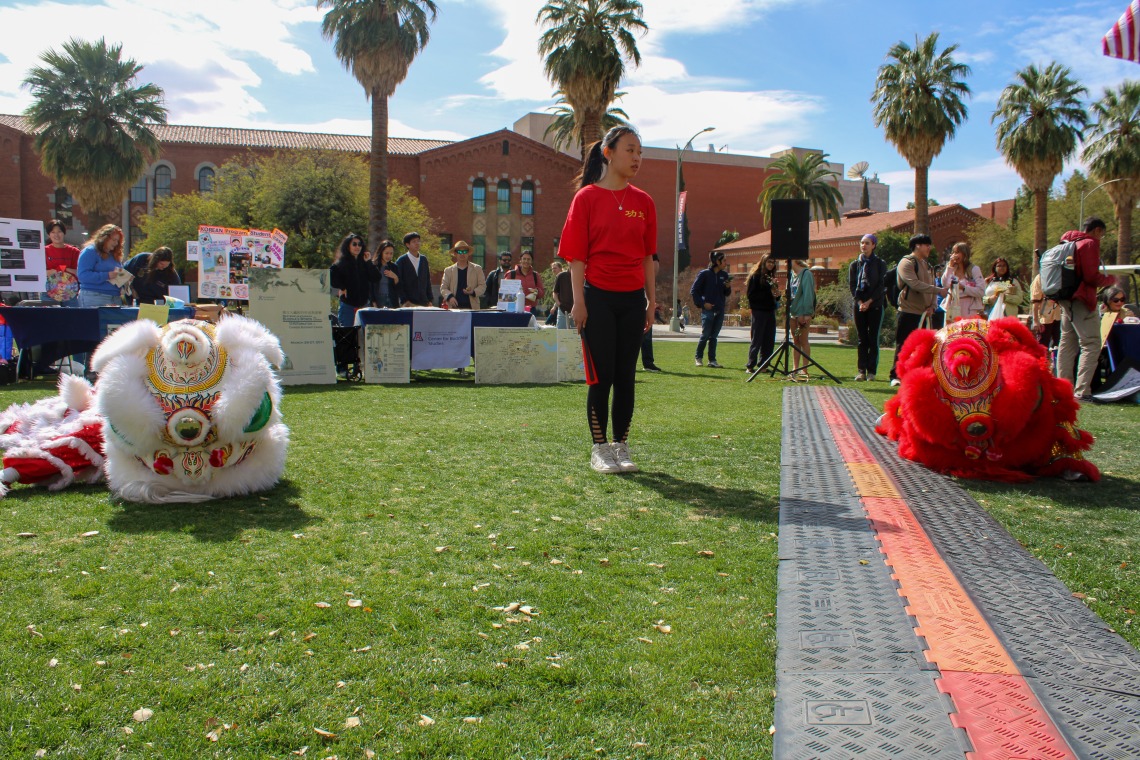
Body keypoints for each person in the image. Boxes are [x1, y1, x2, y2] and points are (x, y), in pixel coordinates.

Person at [558, 124, 657, 474]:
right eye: (630, 150)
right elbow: (576, 257)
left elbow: (647, 256)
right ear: (608, 152)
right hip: (596, 298)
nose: (637, 158)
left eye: (640, 152)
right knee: (602, 377)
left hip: (632, 301)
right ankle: (599, 448)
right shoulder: (586, 198)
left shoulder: (644, 202)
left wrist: (651, 300)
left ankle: (621, 445)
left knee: (626, 375)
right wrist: (579, 301)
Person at [1057, 217, 1116, 401]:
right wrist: (1110, 280)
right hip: (1082, 299)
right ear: (1097, 230)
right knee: (1091, 343)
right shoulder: (1089, 244)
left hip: (1066, 299)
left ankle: (1063, 389)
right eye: (1102, 234)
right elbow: (1091, 277)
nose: (1101, 238)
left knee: (1067, 343)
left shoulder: (1069, 243)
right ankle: (1082, 391)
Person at [890, 234, 948, 386]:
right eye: (926, 245)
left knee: (923, 346)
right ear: (917, 245)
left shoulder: (927, 265)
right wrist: (938, 290)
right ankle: (895, 375)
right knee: (903, 344)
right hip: (908, 311)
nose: (929, 248)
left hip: (925, 313)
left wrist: (933, 305)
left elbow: (931, 286)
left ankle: (916, 374)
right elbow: (914, 284)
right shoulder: (906, 262)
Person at [848, 234, 886, 381]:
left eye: (867, 243)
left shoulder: (880, 264)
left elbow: (881, 286)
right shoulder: (854, 265)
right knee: (861, 339)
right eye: (862, 243)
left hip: (875, 305)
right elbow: (852, 286)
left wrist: (869, 302)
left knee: (873, 338)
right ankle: (861, 370)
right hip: (859, 305)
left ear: (873, 245)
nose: (864, 245)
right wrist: (860, 303)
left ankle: (872, 371)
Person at [691, 250, 731, 368]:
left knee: (714, 336)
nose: (725, 263)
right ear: (717, 261)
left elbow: (726, 293)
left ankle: (712, 360)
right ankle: (698, 357)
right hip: (708, 310)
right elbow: (694, 291)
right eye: (723, 260)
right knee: (706, 334)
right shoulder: (704, 274)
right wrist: (703, 304)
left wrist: (727, 288)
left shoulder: (724, 275)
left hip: (720, 309)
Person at [329, 232, 378, 326]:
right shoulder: (341, 263)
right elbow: (332, 277)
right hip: (348, 305)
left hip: (364, 304)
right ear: (348, 246)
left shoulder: (364, 262)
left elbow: (375, 277)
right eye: (354, 244)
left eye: (360, 244)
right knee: (347, 334)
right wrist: (342, 287)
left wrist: (369, 263)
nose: (357, 247)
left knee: (365, 336)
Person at [76, 224, 126, 307]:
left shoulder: (115, 255)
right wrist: (107, 275)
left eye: (118, 241)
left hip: (115, 298)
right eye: (114, 240)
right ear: (104, 238)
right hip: (94, 297)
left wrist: (125, 280)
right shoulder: (90, 251)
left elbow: (117, 275)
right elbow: (82, 276)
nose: (116, 243)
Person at [745, 253, 779, 372]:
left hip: (770, 310)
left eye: (773, 262)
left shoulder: (771, 277)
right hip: (759, 311)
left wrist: (776, 294)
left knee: (769, 339)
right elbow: (751, 295)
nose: (771, 264)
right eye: (768, 262)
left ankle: (764, 365)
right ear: (763, 263)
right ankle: (750, 365)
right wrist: (768, 293)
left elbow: (775, 297)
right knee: (757, 338)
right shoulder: (756, 276)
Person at [941, 242, 985, 321]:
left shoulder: (974, 269)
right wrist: (949, 267)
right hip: (952, 308)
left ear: (965, 254)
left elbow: (981, 291)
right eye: (953, 252)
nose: (954, 255)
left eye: (957, 252)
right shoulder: (951, 269)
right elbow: (944, 284)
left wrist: (963, 287)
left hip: (969, 309)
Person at [788, 259, 816, 381]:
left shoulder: (806, 274)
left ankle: (804, 369)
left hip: (803, 313)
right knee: (795, 341)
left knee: (803, 340)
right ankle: (795, 368)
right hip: (793, 313)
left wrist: (806, 313)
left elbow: (809, 294)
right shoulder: (791, 275)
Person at [43, 219, 80, 306]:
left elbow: (79, 272)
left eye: (59, 232)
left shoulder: (74, 251)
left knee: (72, 318)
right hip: (48, 292)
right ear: (49, 234)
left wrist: (64, 269)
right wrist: (55, 271)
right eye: (53, 232)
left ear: (64, 233)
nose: (56, 235)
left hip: (70, 292)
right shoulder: (43, 251)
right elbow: (39, 272)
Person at [1030, 251, 1061, 354]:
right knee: (1042, 346)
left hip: (1059, 314)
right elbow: (1035, 300)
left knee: (1059, 344)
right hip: (1044, 317)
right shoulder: (1039, 279)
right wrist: (1036, 320)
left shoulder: (1058, 277)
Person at [440, 240, 486, 310]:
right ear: (455, 254)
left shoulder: (477, 269)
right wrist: (450, 297)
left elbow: (482, 286)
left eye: (465, 252)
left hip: (472, 308)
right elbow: (443, 288)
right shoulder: (448, 270)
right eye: (460, 252)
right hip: (453, 308)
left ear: (468, 253)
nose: (462, 254)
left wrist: (473, 292)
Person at [638, 254, 662, 372]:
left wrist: (651, 302)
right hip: (632, 290)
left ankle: (648, 362)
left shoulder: (650, 253)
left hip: (642, 291)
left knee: (646, 330)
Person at [396, 232, 432, 306]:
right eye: (414, 241)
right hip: (408, 303)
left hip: (424, 302)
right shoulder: (401, 260)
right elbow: (399, 282)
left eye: (418, 241)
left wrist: (430, 299)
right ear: (407, 244)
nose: (417, 243)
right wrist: (404, 300)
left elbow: (427, 280)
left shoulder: (423, 259)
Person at [367, 240, 400, 308]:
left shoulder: (394, 267)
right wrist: (373, 302)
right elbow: (370, 287)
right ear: (381, 252)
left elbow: (399, 288)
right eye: (386, 253)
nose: (389, 256)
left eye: (391, 253)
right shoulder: (373, 266)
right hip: (378, 300)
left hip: (391, 300)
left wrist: (395, 277)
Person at [553, 258, 575, 329]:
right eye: (571, 260)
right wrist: (559, 304)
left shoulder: (583, 277)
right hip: (563, 310)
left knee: (577, 337)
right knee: (561, 335)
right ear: (567, 261)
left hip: (576, 311)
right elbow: (555, 293)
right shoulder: (561, 276)